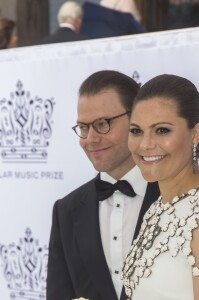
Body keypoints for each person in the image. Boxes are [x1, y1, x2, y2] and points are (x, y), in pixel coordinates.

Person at [121, 74, 199, 299]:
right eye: (136, 131)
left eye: (162, 130)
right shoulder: (159, 206)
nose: (145, 144)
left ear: (196, 133)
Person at [46, 70, 160, 300]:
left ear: (136, 120)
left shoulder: (178, 199)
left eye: (102, 124)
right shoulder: (66, 211)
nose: (90, 139)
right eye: (83, 127)